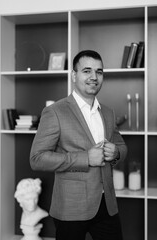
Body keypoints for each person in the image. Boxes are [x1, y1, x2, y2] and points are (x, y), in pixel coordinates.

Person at [30, 50, 127, 240]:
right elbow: (37, 158)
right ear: (74, 75)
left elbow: (122, 146)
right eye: (87, 71)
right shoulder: (55, 112)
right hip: (71, 208)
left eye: (99, 72)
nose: (94, 77)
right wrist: (85, 158)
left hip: (106, 205)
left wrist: (115, 153)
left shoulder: (108, 112)